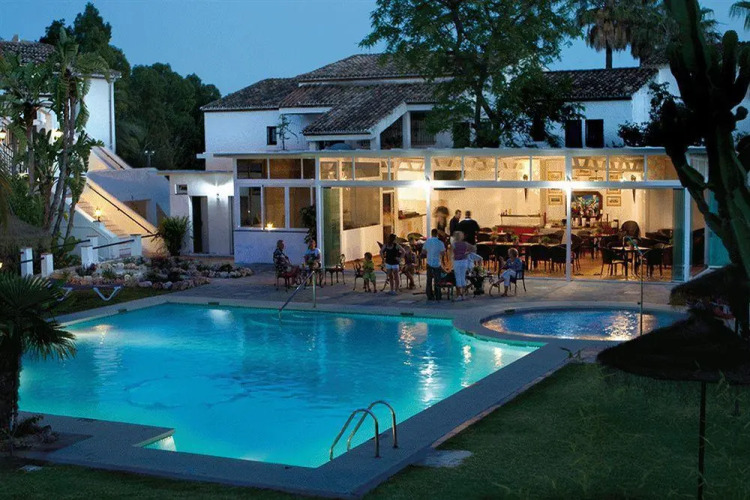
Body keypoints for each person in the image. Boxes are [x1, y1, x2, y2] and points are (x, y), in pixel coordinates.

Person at [422, 229, 446, 301]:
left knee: (429, 280)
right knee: (437, 280)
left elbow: (423, 251)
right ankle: (438, 295)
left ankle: (429, 295)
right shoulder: (440, 243)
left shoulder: (427, 241)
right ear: (437, 234)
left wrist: (429, 252)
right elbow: (443, 253)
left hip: (429, 262)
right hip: (437, 263)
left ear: (431, 233)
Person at [452, 231, 475, 300]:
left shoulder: (454, 244)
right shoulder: (465, 244)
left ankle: (459, 295)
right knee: (463, 277)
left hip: (457, 261)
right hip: (464, 261)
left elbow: (451, 253)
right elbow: (473, 248)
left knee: (458, 278)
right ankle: (464, 294)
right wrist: (467, 253)